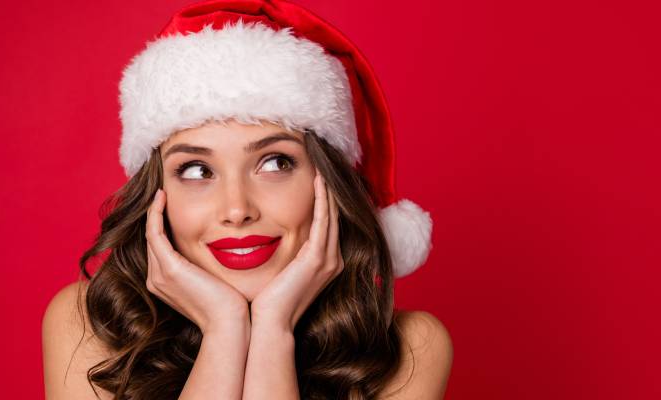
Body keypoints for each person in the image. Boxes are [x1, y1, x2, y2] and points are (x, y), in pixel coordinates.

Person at [42, 0, 453, 399]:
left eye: (275, 163)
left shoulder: (411, 349)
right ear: (156, 195)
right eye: (197, 171)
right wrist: (225, 328)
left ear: (326, 180)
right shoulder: (85, 324)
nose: (237, 210)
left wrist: (274, 329)